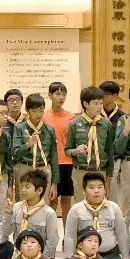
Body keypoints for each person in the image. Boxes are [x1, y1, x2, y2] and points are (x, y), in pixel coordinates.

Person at [62, 171, 129, 259]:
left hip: (109, 254)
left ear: (105, 189)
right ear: (84, 190)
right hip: (83, 257)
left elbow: (122, 234)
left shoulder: (114, 207)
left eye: (100, 187)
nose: (96, 191)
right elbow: (70, 236)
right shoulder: (76, 209)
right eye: (91, 187)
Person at [3, 170, 60, 259]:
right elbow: (5, 232)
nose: (23, 190)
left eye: (27, 187)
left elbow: (52, 241)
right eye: (22, 186)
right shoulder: (16, 208)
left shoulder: (49, 213)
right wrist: (9, 214)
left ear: (39, 190)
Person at [65, 86, 115, 208]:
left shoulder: (106, 124)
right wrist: (75, 151)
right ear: (86, 104)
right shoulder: (74, 124)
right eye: (96, 103)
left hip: (100, 170)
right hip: (81, 171)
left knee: (100, 206)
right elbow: (67, 149)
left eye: (101, 103)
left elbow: (110, 152)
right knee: (81, 207)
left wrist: (108, 179)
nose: (99, 107)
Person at [12, 93, 58, 206]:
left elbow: (54, 157)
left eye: (41, 111)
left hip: (44, 168)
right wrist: (28, 144)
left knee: (43, 204)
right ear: (27, 110)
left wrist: (55, 183)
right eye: (34, 111)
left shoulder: (49, 129)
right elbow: (15, 154)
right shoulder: (19, 128)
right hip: (25, 167)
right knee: (23, 203)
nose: (38, 115)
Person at [44, 82, 77, 216]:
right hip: (51, 163)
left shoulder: (71, 117)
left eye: (64, 94)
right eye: (57, 94)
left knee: (66, 200)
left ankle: (67, 236)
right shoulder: (44, 117)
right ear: (50, 95)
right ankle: (51, 234)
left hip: (68, 162)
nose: (61, 97)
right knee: (51, 199)